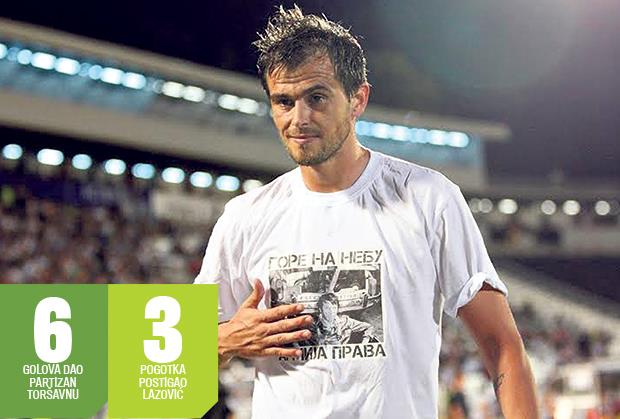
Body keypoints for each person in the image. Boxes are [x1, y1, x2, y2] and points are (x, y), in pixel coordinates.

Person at [195, 5, 539, 418]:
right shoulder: (244, 217)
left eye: (316, 98)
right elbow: (155, 369)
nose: (298, 119)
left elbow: (502, 345)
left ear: (358, 99)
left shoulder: (429, 198)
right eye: (283, 101)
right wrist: (223, 342)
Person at [308, 292, 375, 345]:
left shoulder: (345, 321)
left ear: (337, 309)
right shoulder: (313, 325)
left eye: (334, 308)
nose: (331, 311)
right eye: (327, 308)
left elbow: (368, 327)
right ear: (320, 309)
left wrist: (364, 344)